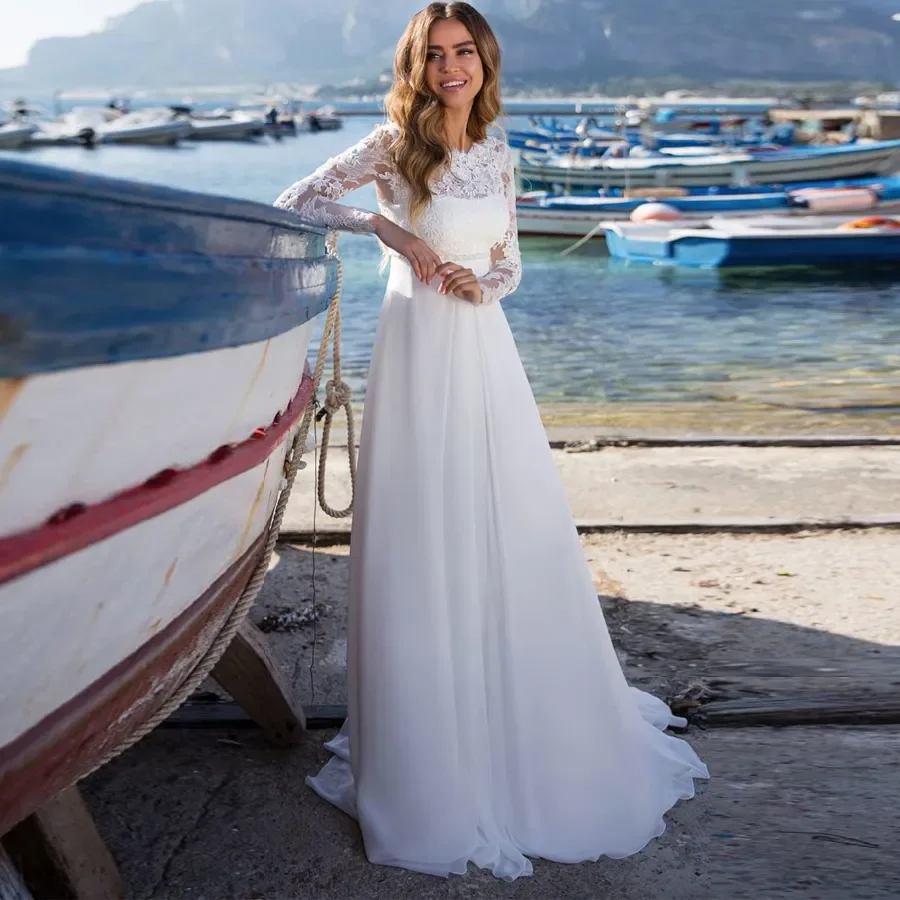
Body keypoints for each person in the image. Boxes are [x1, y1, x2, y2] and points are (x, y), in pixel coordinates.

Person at [275, 1, 707, 881]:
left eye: (462, 51)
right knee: (423, 530)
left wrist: (484, 283)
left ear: (485, 58)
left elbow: (510, 263)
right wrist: (387, 228)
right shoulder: (394, 146)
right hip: (414, 350)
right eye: (433, 55)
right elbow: (297, 200)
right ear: (416, 64)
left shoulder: (501, 148)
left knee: (506, 525)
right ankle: (429, 747)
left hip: (481, 351)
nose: (449, 67)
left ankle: (516, 716)